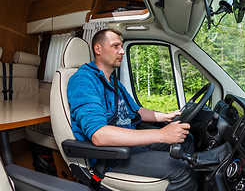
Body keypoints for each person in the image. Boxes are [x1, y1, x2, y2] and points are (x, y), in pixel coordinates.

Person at [67, 28, 197, 191]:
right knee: (183, 170)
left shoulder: (113, 81)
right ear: (98, 49)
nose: (122, 51)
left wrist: (166, 117)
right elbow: (99, 135)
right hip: (112, 156)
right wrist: (161, 134)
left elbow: (136, 111)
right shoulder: (82, 81)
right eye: (115, 46)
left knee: (187, 138)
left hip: (130, 143)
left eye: (121, 46)